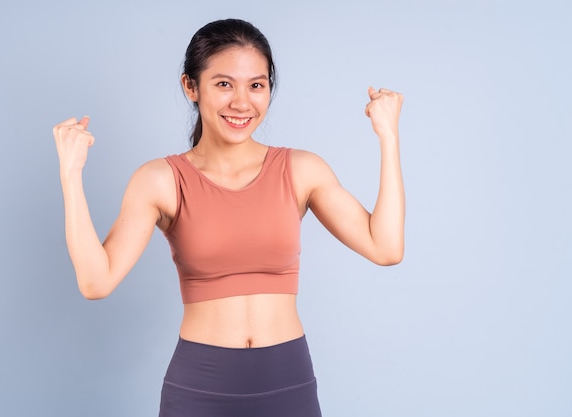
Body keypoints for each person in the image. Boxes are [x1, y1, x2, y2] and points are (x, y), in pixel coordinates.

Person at [53, 18, 404, 417]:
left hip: (288, 382)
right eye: (223, 84)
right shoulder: (161, 180)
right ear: (191, 87)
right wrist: (71, 173)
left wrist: (388, 137)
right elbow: (96, 281)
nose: (242, 102)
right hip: (200, 388)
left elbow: (386, 247)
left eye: (256, 85)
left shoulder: (301, 169)